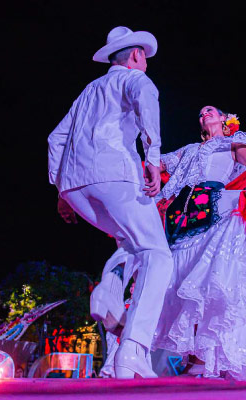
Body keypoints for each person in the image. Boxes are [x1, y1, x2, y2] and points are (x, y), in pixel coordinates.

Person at [48, 26, 173, 378]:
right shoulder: (136, 80)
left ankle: (108, 294)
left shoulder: (88, 91)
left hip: (76, 185)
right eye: (144, 57)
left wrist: (61, 191)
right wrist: (152, 157)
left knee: (131, 243)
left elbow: (55, 138)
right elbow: (147, 106)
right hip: (114, 173)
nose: (145, 62)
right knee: (158, 255)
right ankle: (132, 348)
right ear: (136, 55)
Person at [153, 106, 246, 380]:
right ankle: (196, 357)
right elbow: (159, 164)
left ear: (226, 120)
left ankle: (216, 356)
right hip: (188, 218)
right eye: (201, 112)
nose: (204, 112)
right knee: (184, 285)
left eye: (210, 110)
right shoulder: (189, 150)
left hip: (219, 212)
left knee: (214, 281)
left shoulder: (233, 144)